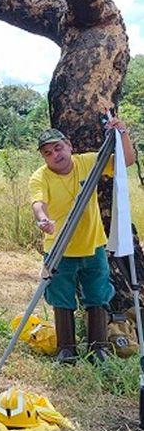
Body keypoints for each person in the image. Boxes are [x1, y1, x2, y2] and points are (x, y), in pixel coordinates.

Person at [29, 119, 135, 364]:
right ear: (44, 157)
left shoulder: (88, 162)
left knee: (97, 295)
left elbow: (125, 161)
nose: (55, 155)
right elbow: (38, 203)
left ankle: (98, 349)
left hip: (93, 245)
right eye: (48, 152)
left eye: (58, 148)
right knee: (61, 296)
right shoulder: (40, 177)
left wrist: (122, 132)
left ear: (69, 146)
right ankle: (67, 351)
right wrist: (43, 219)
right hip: (59, 249)